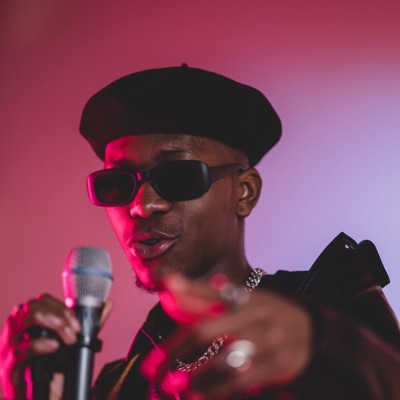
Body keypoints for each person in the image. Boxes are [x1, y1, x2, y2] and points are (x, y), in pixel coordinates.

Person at [1, 64, 400, 400]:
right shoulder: (118, 385)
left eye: (178, 176)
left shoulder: (326, 310)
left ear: (244, 193)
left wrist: (326, 345)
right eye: (117, 183)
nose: (142, 206)